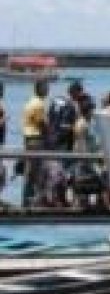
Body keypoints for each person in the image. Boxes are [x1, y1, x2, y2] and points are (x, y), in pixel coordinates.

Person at [21, 79, 50, 207]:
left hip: (28, 138)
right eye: (46, 87)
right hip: (36, 139)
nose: (48, 90)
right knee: (36, 171)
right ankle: (32, 200)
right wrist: (50, 137)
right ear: (40, 88)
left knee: (30, 170)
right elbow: (42, 124)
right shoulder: (39, 104)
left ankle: (27, 199)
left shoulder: (30, 101)